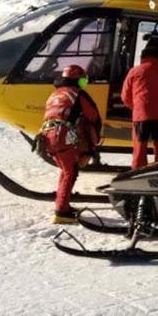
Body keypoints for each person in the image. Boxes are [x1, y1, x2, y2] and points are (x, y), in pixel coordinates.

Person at [38, 64, 102, 224]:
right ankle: (61, 212)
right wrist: (94, 141)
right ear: (76, 81)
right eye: (82, 82)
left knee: (65, 170)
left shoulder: (54, 94)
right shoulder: (78, 94)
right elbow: (93, 116)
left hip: (46, 135)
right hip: (62, 135)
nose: (83, 85)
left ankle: (63, 205)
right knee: (70, 172)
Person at [121, 45, 158, 169]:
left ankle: (137, 173)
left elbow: (125, 96)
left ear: (142, 57)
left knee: (140, 148)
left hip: (142, 115)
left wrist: (135, 107)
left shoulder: (135, 71)